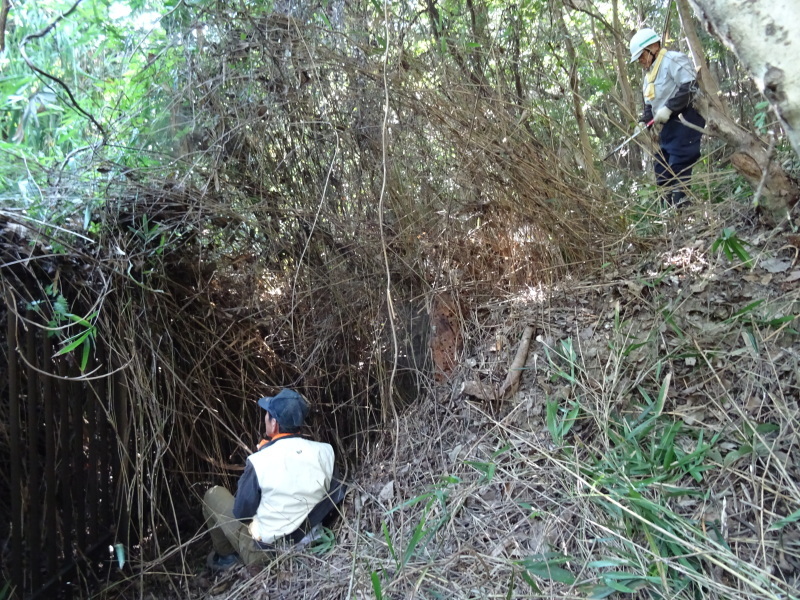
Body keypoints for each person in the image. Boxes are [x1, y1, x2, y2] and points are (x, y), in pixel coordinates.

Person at [202, 388, 340, 570]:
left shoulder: (260, 461)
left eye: (267, 415)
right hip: (311, 539)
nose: (264, 418)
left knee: (214, 495)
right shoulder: (325, 451)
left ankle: (227, 556)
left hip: (267, 554)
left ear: (274, 424)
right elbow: (335, 493)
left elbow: (241, 513)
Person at [630, 28, 705, 207]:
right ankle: (670, 215)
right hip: (668, 127)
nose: (640, 61)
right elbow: (649, 106)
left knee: (679, 165)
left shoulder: (673, 59)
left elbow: (690, 86)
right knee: (662, 171)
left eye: (641, 56)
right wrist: (643, 122)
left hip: (686, 119)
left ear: (654, 47)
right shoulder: (648, 78)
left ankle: (684, 212)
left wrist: (669, 108)